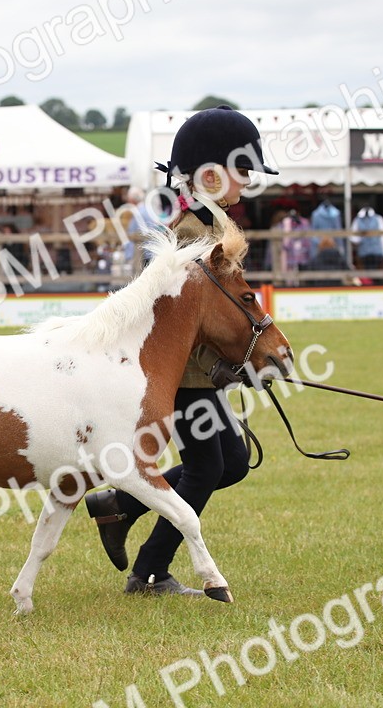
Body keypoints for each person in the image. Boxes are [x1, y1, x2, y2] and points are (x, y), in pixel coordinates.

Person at [84, 105, 278, 597]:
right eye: (241, 171)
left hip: (202, 373)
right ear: (211, 176)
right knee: (208, 467)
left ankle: (121, 507)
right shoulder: (193, 235)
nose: (247, 181)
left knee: (231, 463)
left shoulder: (213, 226)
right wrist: (225, 366)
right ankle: (150, 572)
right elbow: (181, 324)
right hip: (188, 375)